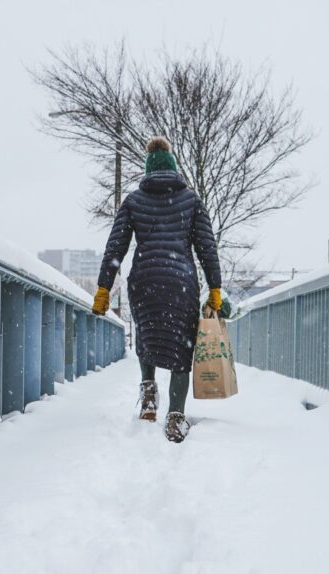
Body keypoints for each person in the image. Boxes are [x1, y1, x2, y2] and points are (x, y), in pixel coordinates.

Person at [92, 136, 223, 443]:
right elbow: (207, 247)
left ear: (148, 170)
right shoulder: (191, 200)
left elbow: (116, 247)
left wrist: (103, 289)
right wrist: (215, 288)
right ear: (174, 169)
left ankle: (149, 395)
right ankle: (176, 417)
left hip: (145, 281)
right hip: (181, 282)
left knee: (148, 336)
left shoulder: (134, 200)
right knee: (182, 346)